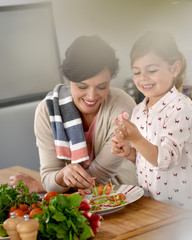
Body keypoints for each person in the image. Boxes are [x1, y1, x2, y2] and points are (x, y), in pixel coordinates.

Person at [10, 35, 136, 193]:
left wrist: (42, 186)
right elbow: (49, 174)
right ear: (68, 79)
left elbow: (97, 178)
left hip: (122, 197)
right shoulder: (47, 111)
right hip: (74, 202)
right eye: (82, 87)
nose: (91, 96)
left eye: (102, 86)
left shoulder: (122, 108)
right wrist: (60, 176)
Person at [111, 31, 192, 210]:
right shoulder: (139, 110)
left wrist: (136, 139)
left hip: (185, 208)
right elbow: (146, 160)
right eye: (137, 72)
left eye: (152, 70)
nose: (143, 78)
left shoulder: (180, 107)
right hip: (153, 205)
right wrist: (130, 153)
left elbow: (165, 160)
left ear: (174, 68)